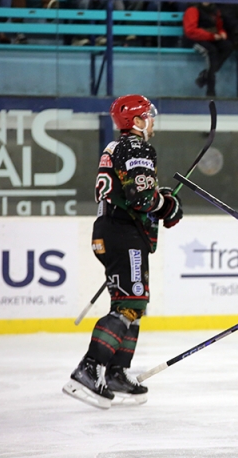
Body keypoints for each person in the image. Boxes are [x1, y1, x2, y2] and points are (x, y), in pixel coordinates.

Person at [62, 94, 183, 410]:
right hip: (122, 234)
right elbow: (141, 198)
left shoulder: (115, 147)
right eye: (149, 116)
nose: (153, 121)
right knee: (130, 303)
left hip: (112, 230)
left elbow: (132, 192)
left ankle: (116, 373)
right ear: (138, 121)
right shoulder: (137, 147)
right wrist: (166, 204)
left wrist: (159, 200)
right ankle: (88, 369)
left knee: (133, 302)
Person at [183, 0, 234, 97]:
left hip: (211, 38)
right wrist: (212, 36)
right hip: (195, 40)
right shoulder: (193, 10)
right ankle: (211, 90)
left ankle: (205, 76)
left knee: (227, 46)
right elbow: (191, 32)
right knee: (211, 51)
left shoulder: (214, 10)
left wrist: (222, 32)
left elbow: (219, 26)